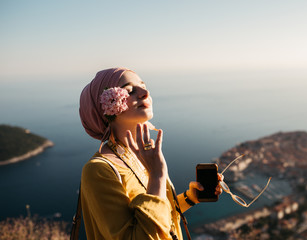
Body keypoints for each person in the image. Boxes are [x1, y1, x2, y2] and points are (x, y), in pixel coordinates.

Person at [79, 67, 222, 240]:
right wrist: (157, 176)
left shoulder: (140, 156)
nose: (145, 93)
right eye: (130, 90)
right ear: (105, 108)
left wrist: (190, 198)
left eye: (144, 86)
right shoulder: (98, 171)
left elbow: (156, 217)